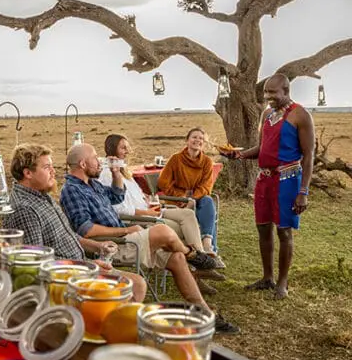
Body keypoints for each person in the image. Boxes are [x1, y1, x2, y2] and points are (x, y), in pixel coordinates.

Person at [59, 143, 239, 334]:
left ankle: (205, 313)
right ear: (82, 163)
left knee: (176, 258)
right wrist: (125, 231)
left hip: (126, 237)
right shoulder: (72, 190)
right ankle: (194, 256)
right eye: (95, 157)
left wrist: (117, 174)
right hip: (111, 246)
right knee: (162, 231)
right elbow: (86, 230)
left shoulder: (93, 184)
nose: (99, 161)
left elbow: (117, 196)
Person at [2, 143, 147, 302]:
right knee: (136, 285)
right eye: (46, 167)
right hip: (68, 280)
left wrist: (97, 246)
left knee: (138, 284)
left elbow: (68, 234)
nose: (53, 171)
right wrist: (89, 267)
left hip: (80, 266)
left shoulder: (42, 196)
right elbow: (38, 265)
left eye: (52, 166)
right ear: (28, 173)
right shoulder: (25, 209)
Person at [221, 74, 314, 300]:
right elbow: (262, 149)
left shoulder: (300, 114)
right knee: (263, 228)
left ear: (285, 90)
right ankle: (267, 277)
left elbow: (309, 155)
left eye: (272, 93)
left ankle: (282, 283)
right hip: (264, 179)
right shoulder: (267, 113)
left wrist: (303, 192)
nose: (267, 97)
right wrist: (239, 155)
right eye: (265, 93)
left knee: (283, 231)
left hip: (288, 180)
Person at [98, 134, 224, 280]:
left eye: (127, 147)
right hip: (138, 218)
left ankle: (200, 262)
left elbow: (135, 195)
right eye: (123, 147)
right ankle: (197, 268)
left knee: (188, 215)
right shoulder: (109, 174)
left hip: (148, 210)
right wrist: (148, 212)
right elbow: (119, 209)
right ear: (112, 149)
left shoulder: (123, 170)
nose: (127, 151)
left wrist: (145, 197)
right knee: (180, 227)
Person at [158, 127, 225, 268]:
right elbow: (163, 182)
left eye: (201, 138)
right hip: (177, 201)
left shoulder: (206, 162)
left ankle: (207, 243)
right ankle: (211, 252)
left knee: (207, 200)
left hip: (197, 200)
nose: (198, 140)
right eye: (194, 137)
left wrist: (192, 199)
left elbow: (206, 187)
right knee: (206, 206)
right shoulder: (176, 159)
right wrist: (181, 196)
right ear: (187, 141)